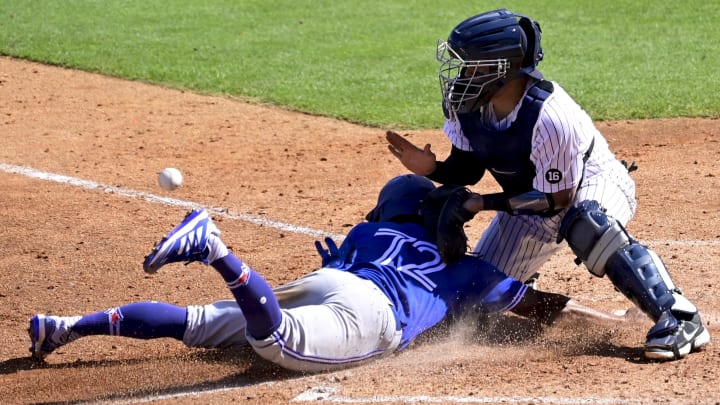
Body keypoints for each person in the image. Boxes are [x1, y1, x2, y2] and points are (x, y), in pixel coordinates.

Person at [28, 174, 624, 371]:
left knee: (192, 323)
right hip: (368, 315)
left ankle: (66, 327)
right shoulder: (467, 269)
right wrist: (611, 322)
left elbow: (346, 263)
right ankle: (216, 250)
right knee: (275, 344)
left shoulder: (366, 235)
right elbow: (545, 308)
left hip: (335, 284)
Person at [385, 9, 710, 361]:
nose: (461, 75)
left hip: (590, 187)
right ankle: (530, 282)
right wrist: (432, 167)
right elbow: (468, 169)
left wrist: (481, 204)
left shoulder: (550, 116)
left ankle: (678, 315)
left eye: (472, 66)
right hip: (526, 202)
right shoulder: (470, 105)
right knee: (472, 302)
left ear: (502, 68)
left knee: (586, 223)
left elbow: (557, 200)